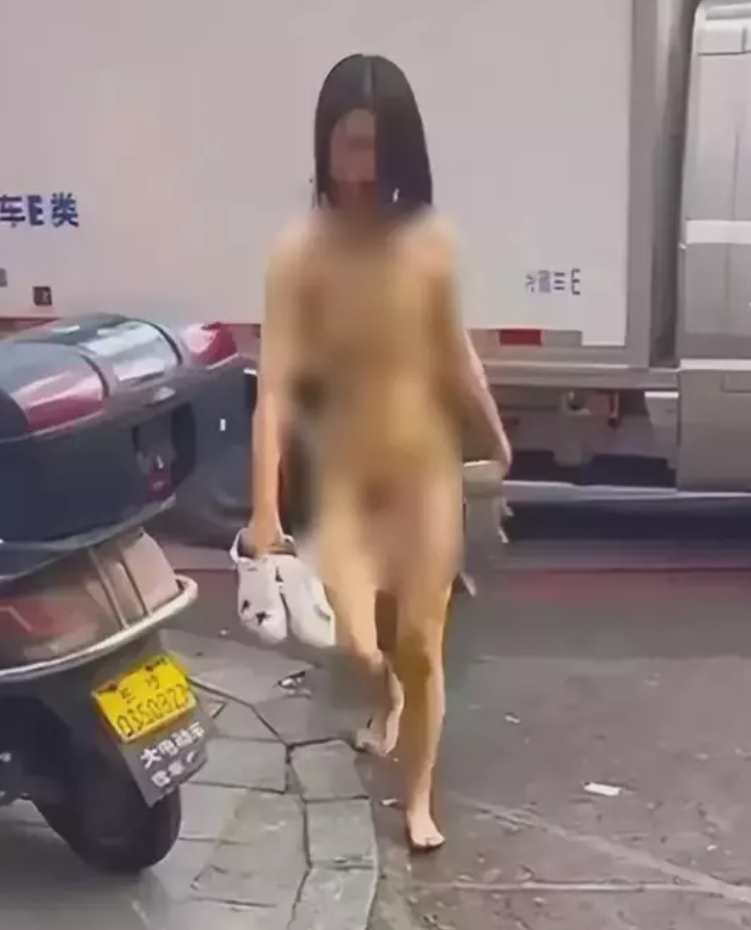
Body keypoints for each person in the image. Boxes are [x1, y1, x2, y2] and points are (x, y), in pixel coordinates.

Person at [248, 53, 511, 852]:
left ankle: (418, 799)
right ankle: (382, 692)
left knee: (422, 646)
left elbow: (454, 353)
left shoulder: (429, 241)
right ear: (324, 143)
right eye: (346, 142)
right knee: (359, 643)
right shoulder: (298, 251)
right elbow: (274, 391)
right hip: (344, 481)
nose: (359, 163)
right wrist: (264, 511)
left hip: (424, 473)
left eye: (373, 144)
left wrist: (494, 435)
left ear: (399, 147)